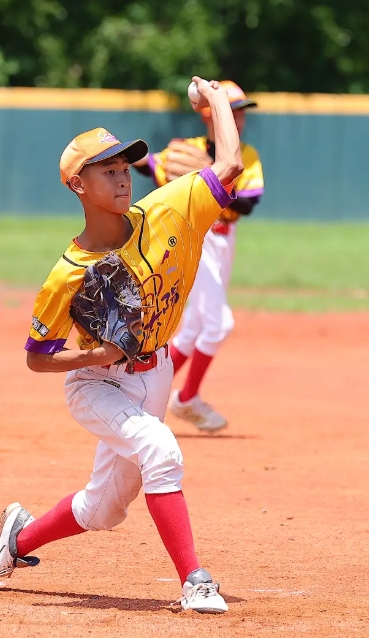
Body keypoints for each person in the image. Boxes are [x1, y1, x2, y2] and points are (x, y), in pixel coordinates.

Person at [0, 76, 244, 615]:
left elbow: (230, 164)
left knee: (104, 508)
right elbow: (37, 357)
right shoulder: (68, 272)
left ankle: (16, 541)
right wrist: (96, 356)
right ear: (78, 184)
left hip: (155, 374)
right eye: (108, 170)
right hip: (96, 384)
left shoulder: (169, 210)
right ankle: (195, 582)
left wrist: (216, 100)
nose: (122, 178)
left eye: (125, 168)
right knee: (161, 450)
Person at [133, 81, 265, 433]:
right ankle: (186, 397)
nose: (240, 120)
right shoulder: (187, 149)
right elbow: (150, 165)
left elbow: (248, 204)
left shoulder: (247, 156)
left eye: (242, 114)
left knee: (193, 326)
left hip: (224, 241)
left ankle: (143, 396)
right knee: (219, 324)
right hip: (196, 239)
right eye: (234, 113)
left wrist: (215, 175)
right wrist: (120, 154)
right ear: (211, 115)